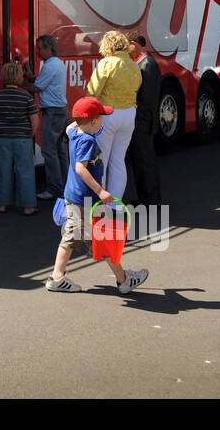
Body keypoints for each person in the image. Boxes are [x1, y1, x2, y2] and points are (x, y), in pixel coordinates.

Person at [45, 96, 150, 294]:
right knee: (102, 241)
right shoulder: (87, 140)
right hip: (86, 200)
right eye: (101, 118)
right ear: (93, 122)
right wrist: (100, 190)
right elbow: (80, 168)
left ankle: (57, 277)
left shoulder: (74, 131)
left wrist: (78, 119)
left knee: (72, 236)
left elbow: (72, 125)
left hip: (74, 196)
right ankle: (124, 280)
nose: (103, 121)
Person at [85, 30, 141, 199]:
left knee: (101, 159)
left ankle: (100, 202)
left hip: (108, 114)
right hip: (129, 114)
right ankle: (115, 202)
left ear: (107, 45)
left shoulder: (106, 63)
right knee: (119, 160)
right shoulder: (134, 65)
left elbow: (93, 92)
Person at [0, 61, 40, 214]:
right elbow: (35, 119)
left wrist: (0, 130)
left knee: (2, 171)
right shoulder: (26, 97)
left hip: (4, 138)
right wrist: (30, 133)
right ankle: (28, 207)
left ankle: (2, 204)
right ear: (19, 77)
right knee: (25, 172)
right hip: (22, 139)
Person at [30, 34, 69, 200]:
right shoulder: (58, 63)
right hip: (61, 111)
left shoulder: (48, 66)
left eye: (39, 48)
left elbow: (37, 88)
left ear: (48, 48)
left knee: (49, 151)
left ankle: (54, 188)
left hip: (52, 112)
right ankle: (65, 185)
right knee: (60, 151)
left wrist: (17, 83)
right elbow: (44, 83)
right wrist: (31, 77)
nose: (37, 52)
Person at [125, 31, 162, 210]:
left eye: (127, 46)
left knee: (145, 161)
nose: (126, 50)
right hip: (142, 120)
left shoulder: (146, 64)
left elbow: (145, 98)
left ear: (134, 43)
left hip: (143, 121)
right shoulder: (143, 63)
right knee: (139, 161)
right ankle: (144, 199)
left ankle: (150, 201)